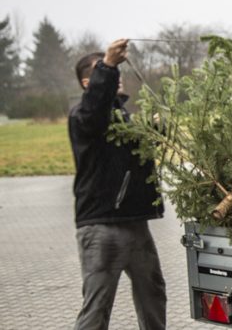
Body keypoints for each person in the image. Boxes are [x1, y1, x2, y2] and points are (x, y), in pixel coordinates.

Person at [69, 38, 166, 330]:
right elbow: (94, 113)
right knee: (96, 310)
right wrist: (108, 64)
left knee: (153, 294)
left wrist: (151, 130)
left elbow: (128, 157)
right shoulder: (83, 116)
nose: (118, 76)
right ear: (89, 82)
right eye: (106, 72)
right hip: (102, 227)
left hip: (135, 224)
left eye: (115, 71)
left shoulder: (121, 118)